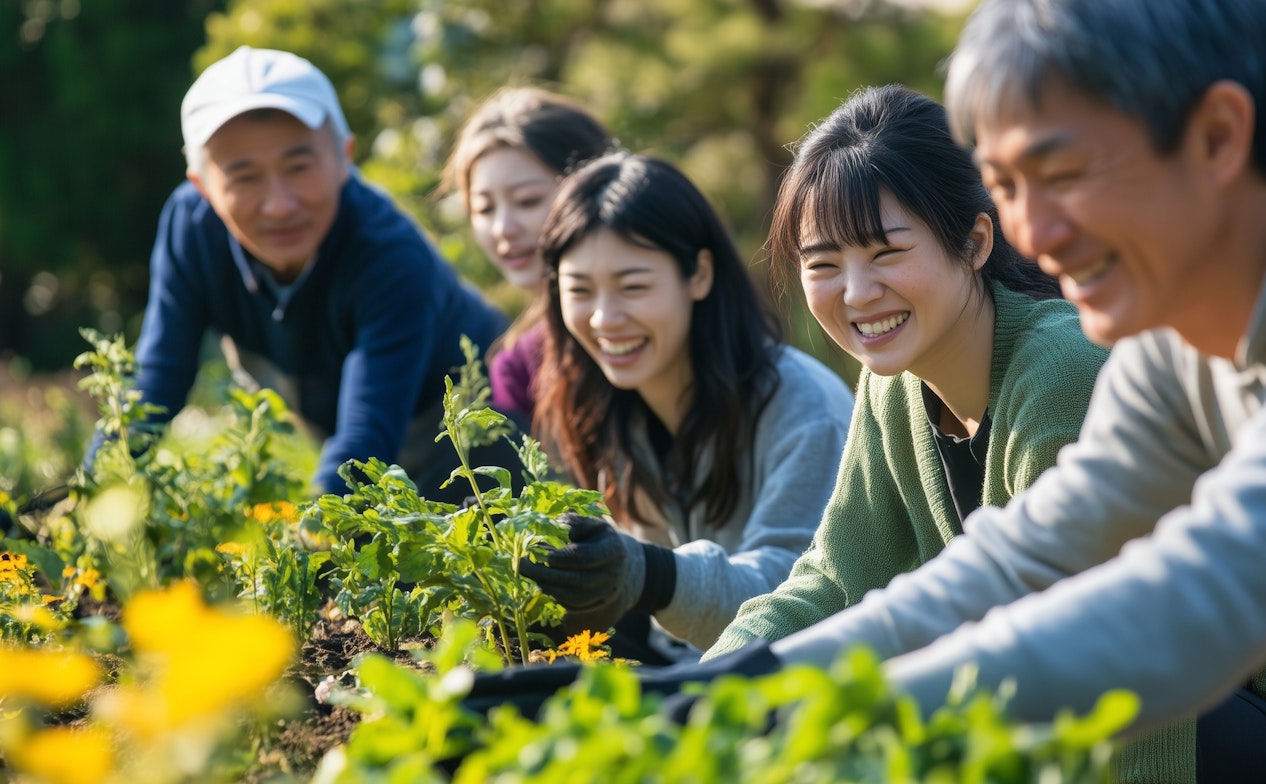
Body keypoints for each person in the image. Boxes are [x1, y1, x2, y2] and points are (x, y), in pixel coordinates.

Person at [740, 0, 1266, 781]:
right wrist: (721, 691)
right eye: (1008, 185)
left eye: (1064, 176)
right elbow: (1031, 551)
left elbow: (1205, 589)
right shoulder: (1166, 326)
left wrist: (827, 722)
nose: (1034, 232)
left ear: (1218, 137)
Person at [705, 84, 1104, 654]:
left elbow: (1056, 627)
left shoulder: (1063, 370)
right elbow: (834, 581)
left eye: (886, 253)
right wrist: (703, 685)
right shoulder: (893, 383)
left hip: (1208, 716)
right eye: (824, 264)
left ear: (974, 243)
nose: (857, 293)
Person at [99, 46, 509, 501]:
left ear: (344, 159)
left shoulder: (388, 253)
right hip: (359, 435)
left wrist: (303, 546)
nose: (279, 204)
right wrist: (89, 494)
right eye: (244, 178)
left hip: (478, 419)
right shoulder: (191, 229)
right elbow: (158, 380)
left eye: (299, 167)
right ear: (203, 186)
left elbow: (365, 436)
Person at [519, 151, 855, 660]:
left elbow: (795, 597)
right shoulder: (611, 408)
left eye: (633, 286)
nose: (605, 318)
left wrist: (650, 574)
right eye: (579, 290)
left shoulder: (803, 406)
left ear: (698, 274)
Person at [437, 87, 616, 431]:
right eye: (484, 208)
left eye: (528, 200)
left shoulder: (653, 315)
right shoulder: (520, 366)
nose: (504, 229)